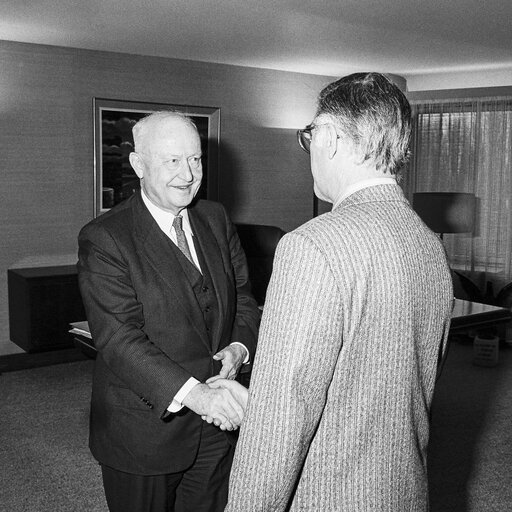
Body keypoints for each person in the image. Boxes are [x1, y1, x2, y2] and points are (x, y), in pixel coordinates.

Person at [220, 72, 453, 511]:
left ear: (328, 136)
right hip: (404, 491)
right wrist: (263, 399)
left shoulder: (312, 245)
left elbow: (285, 413)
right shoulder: (428, 243)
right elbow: (391, 388)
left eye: (309, 136)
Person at [77, 111, 260, 512]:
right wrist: (198, 396)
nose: (188, 174)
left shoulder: (215, 218)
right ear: (139, 165)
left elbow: (243, 297)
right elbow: (119, 339)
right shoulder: (106, 237)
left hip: (215, 428)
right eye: (172, 161)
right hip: (143, 431)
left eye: (194, 159)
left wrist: (239, 348)